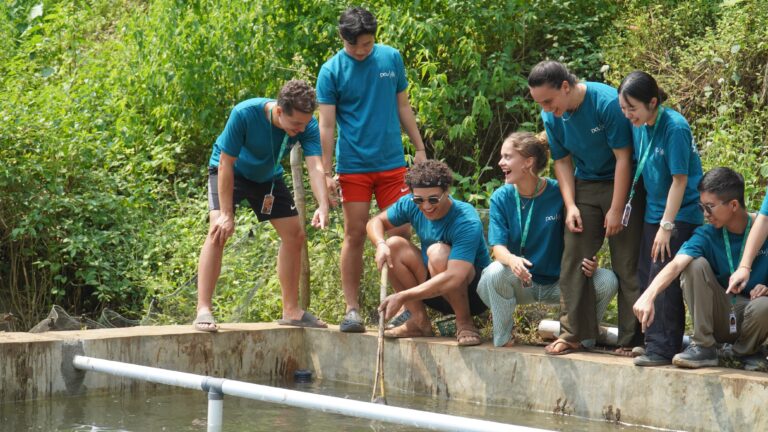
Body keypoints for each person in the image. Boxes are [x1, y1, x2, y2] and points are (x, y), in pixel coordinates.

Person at [317, 6, 427, 333]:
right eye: (355, 46)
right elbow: (326, 125)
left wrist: (419, 147)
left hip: (393, 162)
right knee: (354, 233)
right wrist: (326, 172)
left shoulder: (391, 59)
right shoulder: (331, 71)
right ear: (343, 39)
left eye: (367, 44)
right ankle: (352, 310)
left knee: (399, 235)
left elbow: (403, 106)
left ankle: (407, 307)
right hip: (353, 165)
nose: (362, 51)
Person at [193, 80, 330, 332]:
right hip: (230, 171)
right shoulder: (244, 113)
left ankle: (291, 310)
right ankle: (204, 309)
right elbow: (225, 163)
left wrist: (322, 205)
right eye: (296, 124)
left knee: (295, 235)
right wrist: (226, 214)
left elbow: (315, 166)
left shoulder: (307, 125)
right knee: (218, 230)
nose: (301, 129)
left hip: (267, 177)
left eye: (305, 123)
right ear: (279, 111)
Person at [528, 60, 644, 355]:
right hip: (586, 185)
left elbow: (623, 158)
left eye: (548, 101)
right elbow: (562, 161)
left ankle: (632, 338)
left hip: (624, 183)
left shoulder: (605, 103)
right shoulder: (552, 116)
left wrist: (617, 209)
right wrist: (570, 206)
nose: (545, 109)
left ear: (565, 87)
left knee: (626, 263)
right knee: (574, 257)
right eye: (539, 103)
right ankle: (574, 334)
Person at [477, 131, 618, 348]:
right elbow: (498, 249)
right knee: (494, 273)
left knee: (606, 281)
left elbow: (580, 235)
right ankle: (503, 339)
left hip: (561, 283)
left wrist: (590, 259)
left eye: (507, 157)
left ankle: (581, 335)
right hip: (523, 281)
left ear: (528, 162)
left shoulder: (559, 192)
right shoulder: (501, 197)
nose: (500, 162)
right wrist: (513, 260)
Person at [634, 168, 768, 370]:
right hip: (720, 312)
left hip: (752, 313)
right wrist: (649, 295)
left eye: (710, 207)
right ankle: (703, 347)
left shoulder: (762, 228)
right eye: (701, 207)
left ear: (733, 205)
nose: (705, 214)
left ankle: (743, 353)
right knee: (693, 264)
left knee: (765, 306)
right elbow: (677, 264)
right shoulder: (706, 234)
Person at [617, 71, 704, 366]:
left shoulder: (675, 127)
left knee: (662, 276)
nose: (628, 115)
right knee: (646, 274)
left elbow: (680, 181)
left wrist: (667, 226)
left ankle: (662, 349)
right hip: (654, 212)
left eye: (633, 109)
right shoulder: (640, 124)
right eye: (624, 109)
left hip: (679, 214)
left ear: (653, 102)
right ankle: (654, 340)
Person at [367, 160, 488, 346]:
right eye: (419, 200)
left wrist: (404, 296)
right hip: (435, 291)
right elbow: (375, 222)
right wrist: (380, 243)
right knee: (393, 245)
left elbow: (455, 276)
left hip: (474, 295)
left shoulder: (465, 218)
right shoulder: (410, 204)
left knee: (438, 253)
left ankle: (464, 323)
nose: (426, 206)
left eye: (433, 199)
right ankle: (418, 321)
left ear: (447, 192)